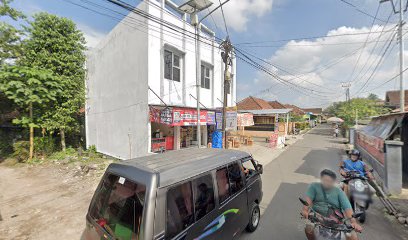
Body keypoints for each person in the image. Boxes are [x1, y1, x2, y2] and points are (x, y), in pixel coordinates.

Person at [302, 169, 362, 240]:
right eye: (325, 180)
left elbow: (347, 207)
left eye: (330, 181)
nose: (327, 183)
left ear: (333, 182)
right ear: (321, 179)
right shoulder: (314, 187)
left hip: (336, 220)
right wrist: (305, 211)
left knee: (353, 236)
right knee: (309, 228)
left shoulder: (339, 192)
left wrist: (354, 222)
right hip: (317, 217)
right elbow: (307, 202)